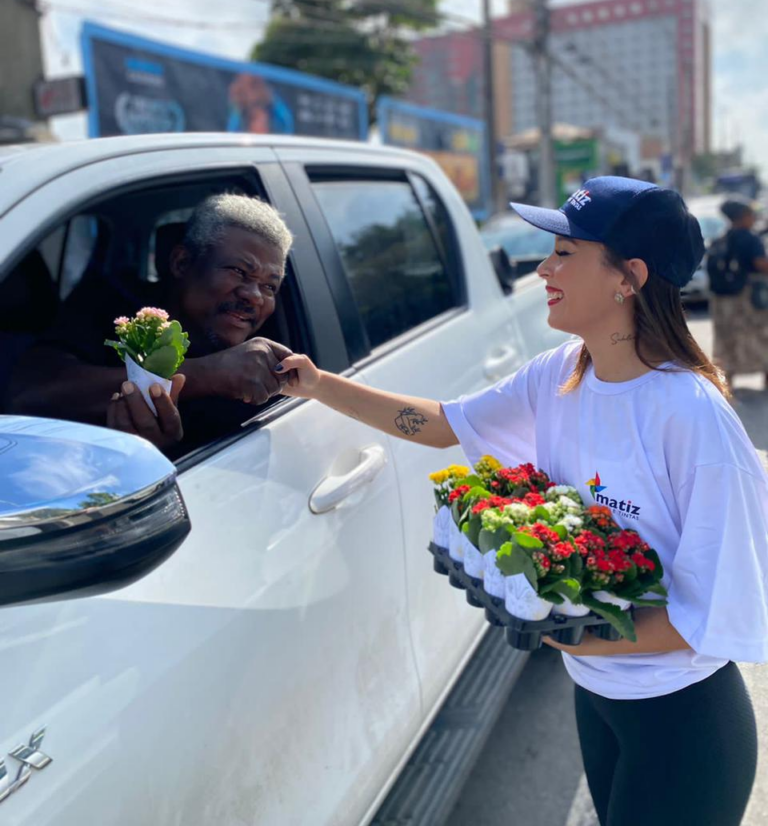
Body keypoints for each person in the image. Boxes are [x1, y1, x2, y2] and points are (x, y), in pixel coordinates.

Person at [273, 177, 767, 826]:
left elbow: (724, 610)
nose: (543, 267)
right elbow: (443, 423)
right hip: (597, 701)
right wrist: (316, 385)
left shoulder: (692, 419)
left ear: (629, 277)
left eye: (565, 252)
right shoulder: (562, 372)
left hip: (680, 719)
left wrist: (569, 634)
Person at [7, 193, 295, 455]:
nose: (254, 296)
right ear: (182, 262)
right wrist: (206, 375)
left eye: (270, 287)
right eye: (239, 271)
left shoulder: (268, 366)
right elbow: (28, 394)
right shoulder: (113, 304)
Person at [710, 196, 768, 390]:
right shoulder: (751, 238)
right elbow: (760, 263)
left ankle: (728, 378)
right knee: (759, 335)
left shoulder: (721, 239)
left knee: (728, 337)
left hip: (723, 300)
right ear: (743, 216)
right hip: (747, 299)